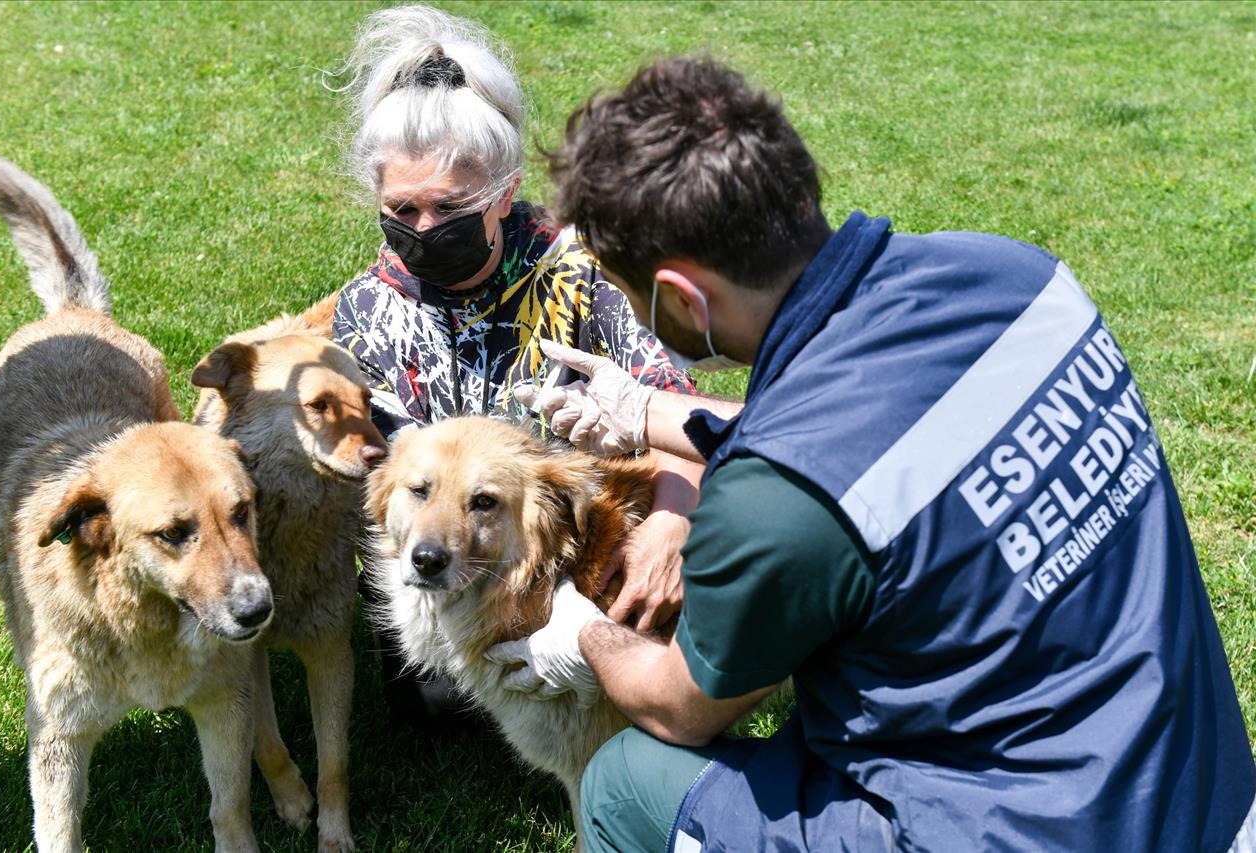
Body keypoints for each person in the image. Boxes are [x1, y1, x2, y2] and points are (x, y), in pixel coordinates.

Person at [494, 57, 1256, 852]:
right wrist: (647, 409)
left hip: (1014, 833)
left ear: (683, 299)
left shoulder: (774, 500)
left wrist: (579, 632)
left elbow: (679, 702)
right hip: (1198, 796)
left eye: (627, 291)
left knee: (625, 779)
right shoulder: (1020, 279)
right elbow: (869, 430)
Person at [327, 6, 701, 729]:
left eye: (451, 207)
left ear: (504, 190)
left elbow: (682, 416)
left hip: (591, 556)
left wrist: (669, 532)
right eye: (402, 207)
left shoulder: (588, 276)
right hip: (452, 572)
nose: (425, 230)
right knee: (432, 706)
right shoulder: (366, 311)